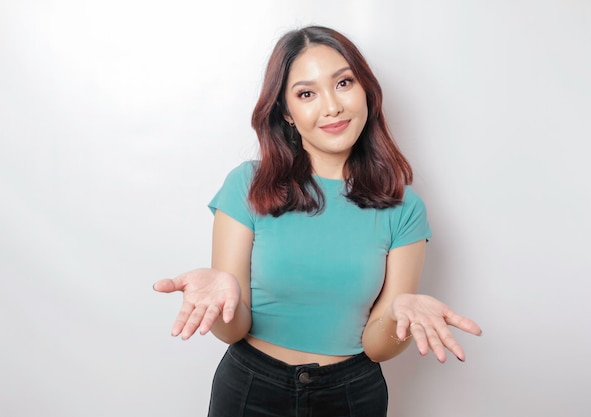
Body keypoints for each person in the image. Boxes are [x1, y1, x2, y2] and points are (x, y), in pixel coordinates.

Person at [153, 25, 482, 417]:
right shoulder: (247, 184)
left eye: (343, 83)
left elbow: (378, 347)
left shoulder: (404, 208)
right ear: (287, 113)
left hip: (351, 396)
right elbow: (233, 328)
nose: (332, 106)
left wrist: (398, 315)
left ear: (366, 92)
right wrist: (225, 296)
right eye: (306, 93)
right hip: (251, 389)